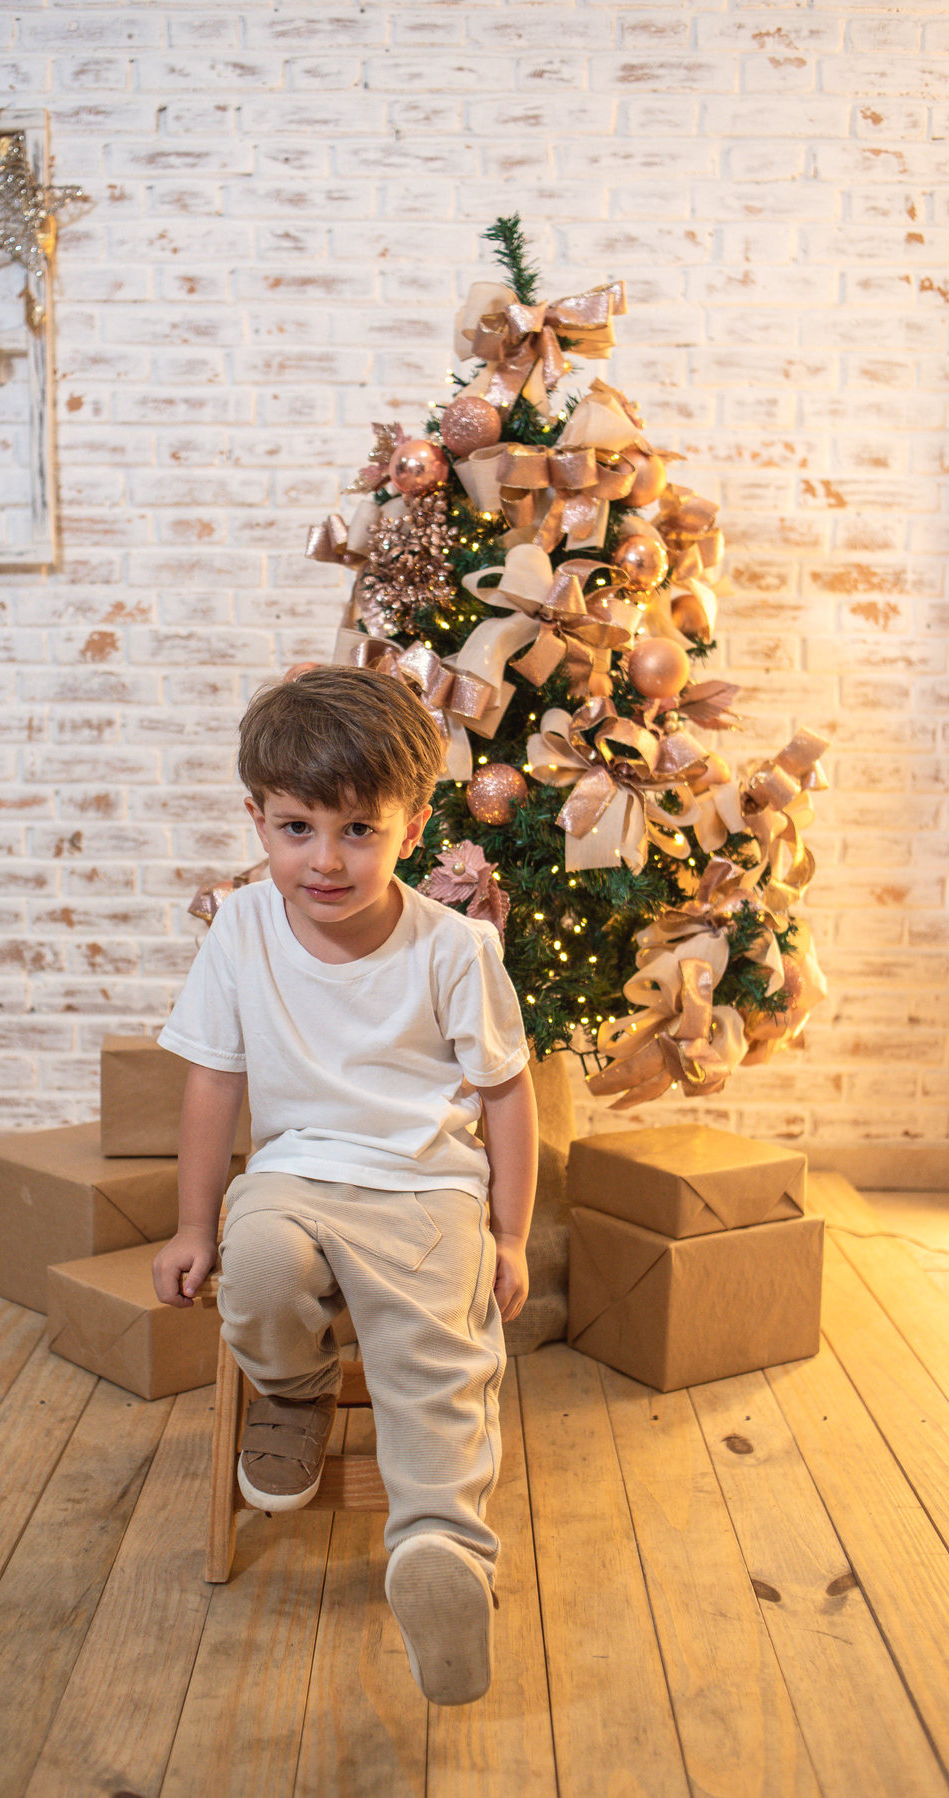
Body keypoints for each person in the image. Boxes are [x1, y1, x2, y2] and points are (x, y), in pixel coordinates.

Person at [152, 665, 537, 1706]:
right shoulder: (239, 929)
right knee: (264, 1268)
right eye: (296, 828)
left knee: (437, 1351)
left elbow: (507, 1095)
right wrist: (194, 1223)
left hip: (426, 1188)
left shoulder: (456, 948)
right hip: (294, 1174)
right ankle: (292, 1388)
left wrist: (508, 1236)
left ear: (411, 828)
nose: (325, 859)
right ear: (259, 819)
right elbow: (213, 1081)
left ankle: (442, 1552)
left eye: (358, 830)